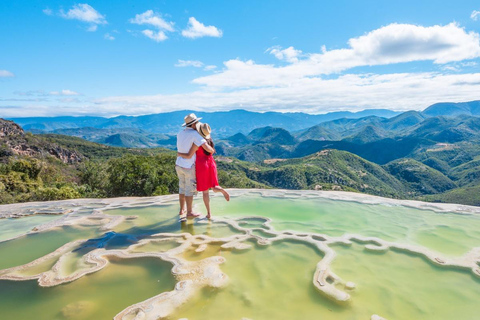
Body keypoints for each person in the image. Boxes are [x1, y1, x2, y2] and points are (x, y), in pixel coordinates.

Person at [177, 122, 230, 219]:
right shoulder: (209, 140)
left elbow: (189, 155)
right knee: (214, 186)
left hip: (202, 166)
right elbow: (211, 151)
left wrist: (179, 154)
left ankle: (208, 213)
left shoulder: (197, 142)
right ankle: (220, 192)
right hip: (211, 164)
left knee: (205, 192)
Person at [176, 113, 214, 222]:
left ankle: (181, 209)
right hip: (188, 165)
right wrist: (211, 149)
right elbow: (208, 149)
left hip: (178, 164)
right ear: (193, 124)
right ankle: (189, 212)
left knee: (182, 187)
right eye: (196, 123)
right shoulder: (195, 134)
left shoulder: (180, 133)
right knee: (189, 189)